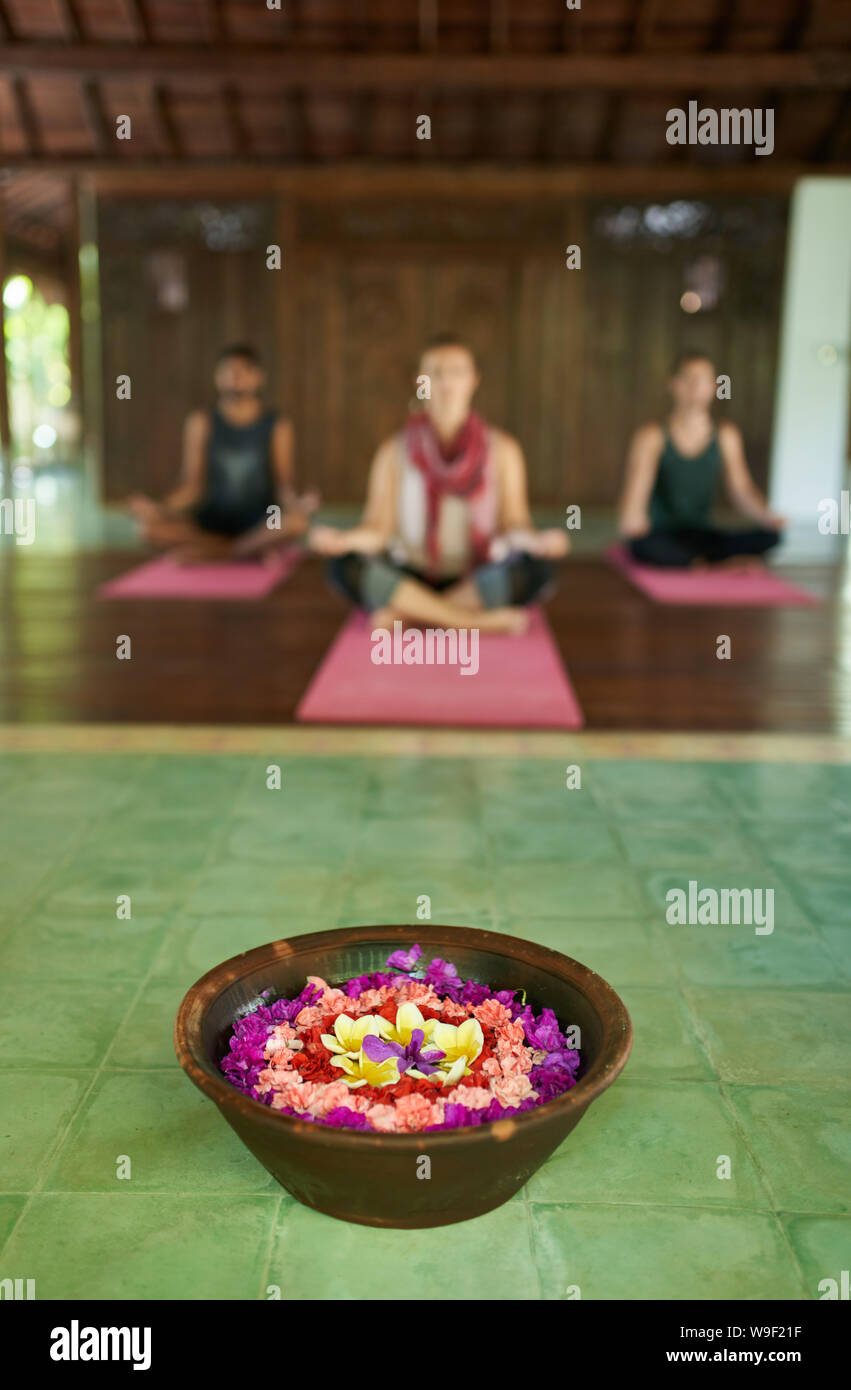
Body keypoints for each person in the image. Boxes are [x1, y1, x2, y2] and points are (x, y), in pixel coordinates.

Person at [309, 334, 568, 632]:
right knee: (343, 566)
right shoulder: (394, 451)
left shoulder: (504, 450)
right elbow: (378, 529)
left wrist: (538, 541)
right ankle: (473, 622)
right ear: (421, 382)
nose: (446, 382)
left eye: (457, 372)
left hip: (477, 578)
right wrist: (342, 541)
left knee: (537, 569)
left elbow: (513, 523)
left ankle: (411, 617)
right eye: (435, 372)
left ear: (473, 380)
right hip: (411, 575)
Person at [128, 344, 315, 562]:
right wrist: (159, 509)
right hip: (212, 519)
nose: (234, 377)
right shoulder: (201, 422)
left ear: (258, 378)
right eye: (227, 372)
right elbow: (191, 487)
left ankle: (217, 552)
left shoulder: (277, 425)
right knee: (148, 530)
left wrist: (298, 504)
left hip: (262, 519)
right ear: (217, 377)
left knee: (297, 523)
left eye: (242, 371)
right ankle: (245, 550)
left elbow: (284, 486)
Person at [618, 350, 785, 568]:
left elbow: (741, 489)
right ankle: (711, 563)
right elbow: (636, 493)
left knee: (771, 537)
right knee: (643, 546)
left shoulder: (726, 434)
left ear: (714, 387)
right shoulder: (653, 436)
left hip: (701, 534)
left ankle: (699, 562)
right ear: (675, 384)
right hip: (662, 534)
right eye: (689, 379)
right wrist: (632, 519)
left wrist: (767, 517)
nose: (696, 387)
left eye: (704, 380)